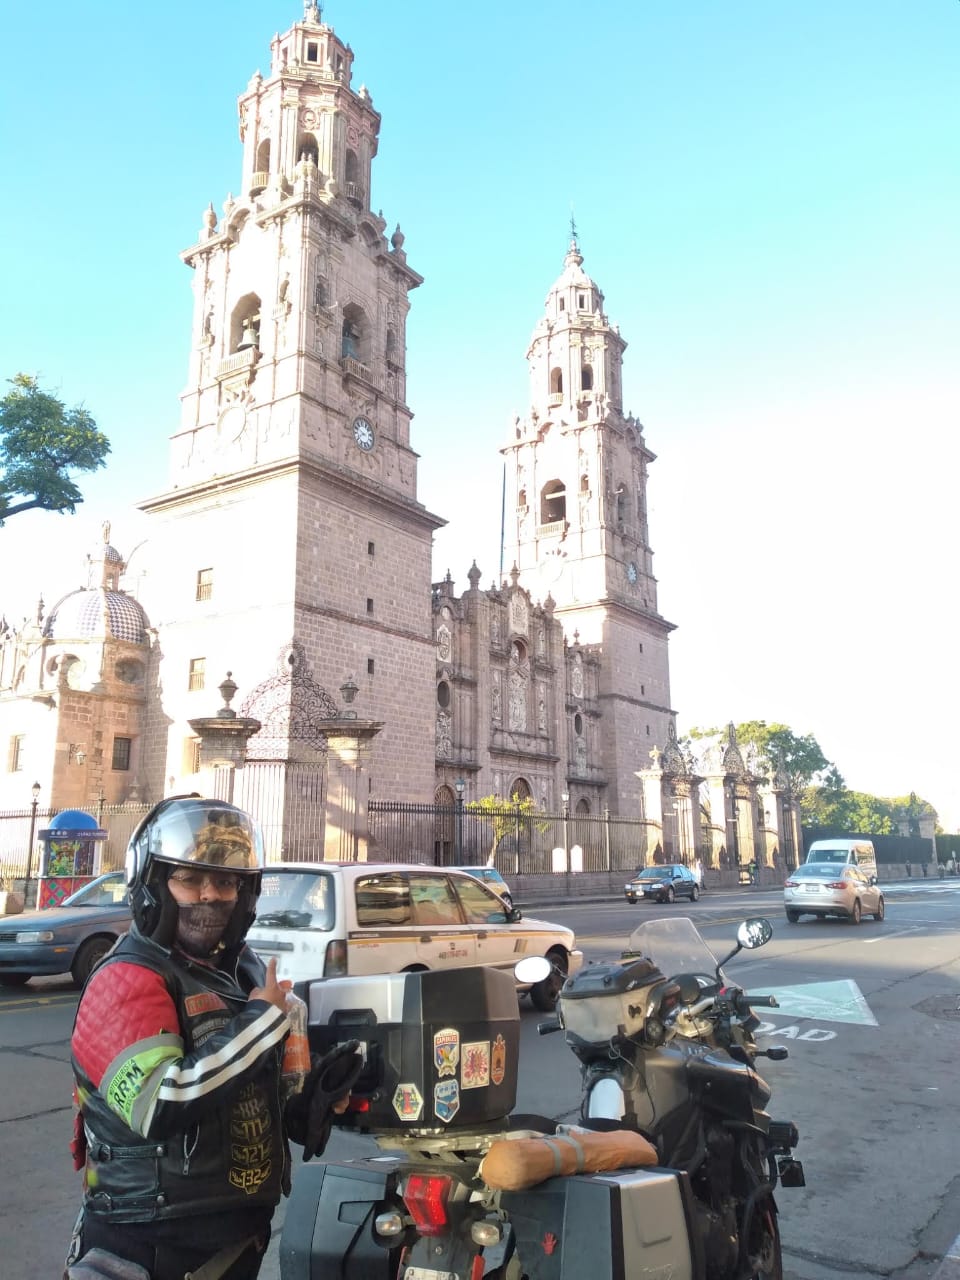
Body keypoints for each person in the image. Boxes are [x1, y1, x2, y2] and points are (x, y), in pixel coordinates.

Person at [66, 796, 360, 1280]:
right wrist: (261, 1022)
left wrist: (308, 1104)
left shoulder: (241, 970)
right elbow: (162, 1101)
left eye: (225, 881)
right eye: (189, 879)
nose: (209, 895)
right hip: (146, 1244)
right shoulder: (126, 980)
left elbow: (238, 1096)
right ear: (155, 884)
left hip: (236, 1236)